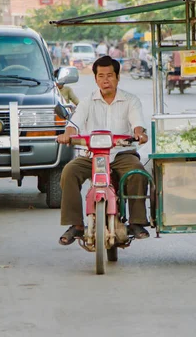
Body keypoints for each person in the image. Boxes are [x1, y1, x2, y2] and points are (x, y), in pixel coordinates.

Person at [56, 55, 150, 245]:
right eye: (101, 76)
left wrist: (139, 133)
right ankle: (76, 224)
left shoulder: (131, 101)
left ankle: (137, 222)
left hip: (121, 154)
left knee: (137, 172)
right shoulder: (88, 101)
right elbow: (74, 123)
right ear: (95, 78)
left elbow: (137, 124)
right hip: (92, 155)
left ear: (117, 77)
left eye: (109, 75)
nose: (105, 80)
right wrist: (68, 134)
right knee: (69, 172)